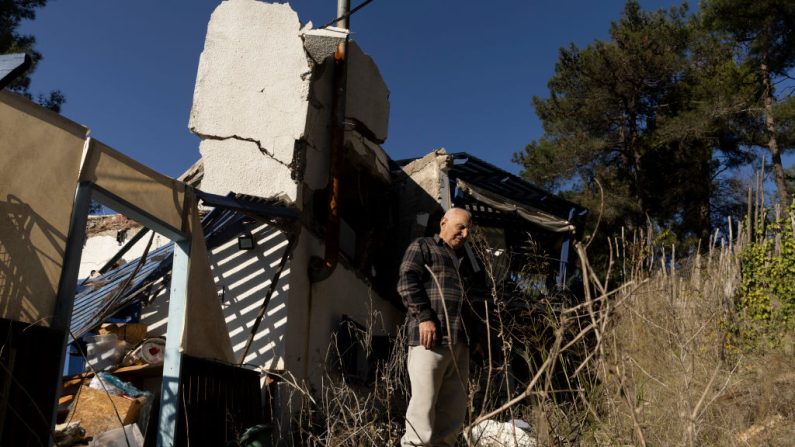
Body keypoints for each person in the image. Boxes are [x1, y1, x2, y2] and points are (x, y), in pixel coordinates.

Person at [398, 207, 478, 446]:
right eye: (460, 227)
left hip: (460, 344)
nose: (464, 234)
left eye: (468, 230)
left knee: (453, 412)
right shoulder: (423, 246)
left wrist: (478, 341)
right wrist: (424, 317)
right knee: (423, 407)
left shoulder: (467, 261)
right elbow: (406, 280)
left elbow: (474, 303)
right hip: (430, 340)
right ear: (444, 222)